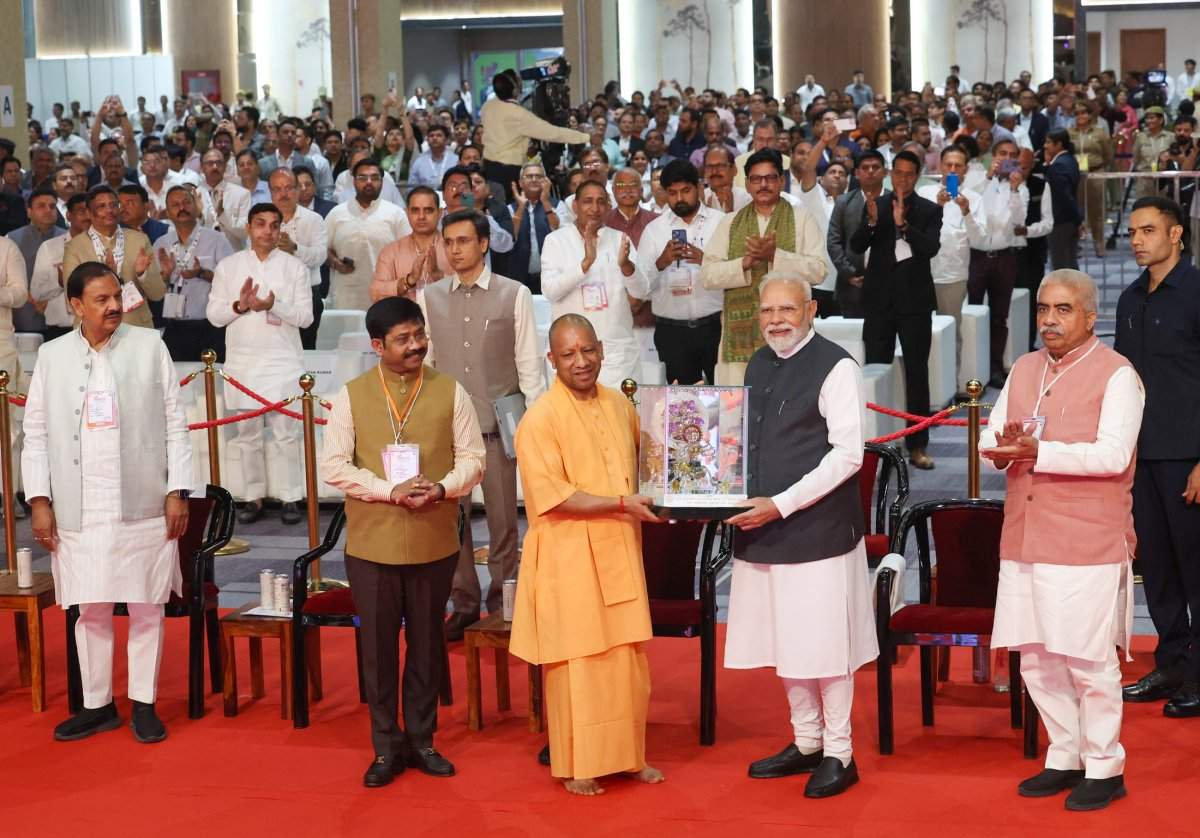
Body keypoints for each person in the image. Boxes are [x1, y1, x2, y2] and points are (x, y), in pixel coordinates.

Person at [981, 269, 1142, 812]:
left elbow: (1113, 455)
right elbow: (991, 435)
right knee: (1036, 657)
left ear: (1091, 317)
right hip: (1024, 535)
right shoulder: (1025, 367)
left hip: (1085, 541)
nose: (1049, 320)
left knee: (1087, 660)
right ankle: (1065, 754)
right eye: (1044, 309)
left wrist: (1038, 453)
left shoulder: (1118, 374)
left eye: (1063, 310)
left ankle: (1104, 766)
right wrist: (1002, 446)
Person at [320, 295, 484, 788]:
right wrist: (387, 490)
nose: (416, 346)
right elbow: (334, 466)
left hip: (434, 540)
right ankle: (385, 746)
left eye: (419, 335)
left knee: (428, 645)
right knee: (377, 649)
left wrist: (442, 488)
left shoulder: (450, 390)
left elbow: (473, 458)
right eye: (403, 339)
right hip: (373, 545)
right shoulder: (351, 395)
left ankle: (423, 739)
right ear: (377, 346)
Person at [24, 261, 192, 744]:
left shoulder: (149, 345)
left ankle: (144, 704)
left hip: (143, 500)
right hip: (79, 503)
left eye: (116, 296)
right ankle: (97, 705)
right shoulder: (53, 356)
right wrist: (39, 500)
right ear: (76, 305)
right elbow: (35, 434)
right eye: (101, 300)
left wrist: (177, 491)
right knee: (90, 607)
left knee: (146, 606)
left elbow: (176, 423)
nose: (115, 306)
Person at [724, 273, 876, 798]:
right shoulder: (758, 362)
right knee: (785, 641)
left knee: (824, 645)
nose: (776, 321)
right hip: (763, 529)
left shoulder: (837, 366)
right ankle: (807, 740)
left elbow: (849, 456)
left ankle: (839, 752)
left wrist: (782, 504)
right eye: (767, 311)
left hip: (817, 532)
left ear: (811, 310)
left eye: (787, 309)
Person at [510, 313, 665, 796]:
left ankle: (630, 757)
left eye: (588, 350)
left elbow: (649, 466)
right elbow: (553, 497)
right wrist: (620, 503)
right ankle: (578, 766)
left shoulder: (619, 405)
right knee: (578, 663)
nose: (581, 362)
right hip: (569, 556)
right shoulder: (539, 419)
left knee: (626, 660)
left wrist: (686, 421)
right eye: (569, 354)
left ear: (602, 349)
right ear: (551, 360)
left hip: (618, 546)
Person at [420, 209, 545, 639]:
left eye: (464, 241)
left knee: (504, 524)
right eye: (449, 242)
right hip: (448, 433)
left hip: (499, 429)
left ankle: (505, 605)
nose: (455, 250)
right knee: (452, 524)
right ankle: (464, 604)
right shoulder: (430, 297)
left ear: (484, 244)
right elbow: (427, 366)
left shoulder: (514, 294)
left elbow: (530, 367)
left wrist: (534, 431)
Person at [1116, 197, 1200, 716]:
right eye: (1132, 232)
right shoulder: (1130, 299)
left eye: (1148, 230)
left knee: (1196, 571)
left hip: (1188, 459)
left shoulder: (1196, 292)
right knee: (1159, 571)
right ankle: (1171, 664)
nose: (1137, 240)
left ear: (1175, 235)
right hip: (1139, 457)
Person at [206, 203, 312, 525]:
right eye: (261, 224)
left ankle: (291, 497)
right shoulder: (229, 266)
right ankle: (253, 496)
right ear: (249, 228)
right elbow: (214, 316)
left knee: (286, 435)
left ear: (281, 230)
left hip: (283, 362)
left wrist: (273, 305)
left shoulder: (295, 267)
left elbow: (306, 318)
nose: (268, 231)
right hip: (243, 363)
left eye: (274, 225)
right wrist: (240, 305)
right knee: (248, 435)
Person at [700, 148, 826, 385]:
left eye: (770, 178)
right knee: (740, 403)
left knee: (789, 399)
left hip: (791, 334)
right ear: (747, 184)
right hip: (739, 340)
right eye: (756, 179)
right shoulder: (730, 222)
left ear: (781, 181)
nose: (764, 185)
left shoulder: (802, 218)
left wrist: (774, 256)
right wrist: (744, 263)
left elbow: (819, 270)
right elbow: (707, 276)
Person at [850, 150, 941, 470]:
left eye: (909, 174)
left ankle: (918, 445)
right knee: (877, 372)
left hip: (915, 303)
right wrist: (873, 222)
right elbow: (856, 245)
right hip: (879, 303)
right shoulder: (876, 204)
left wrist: (904, 226)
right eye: (898, 173)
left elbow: (930, 248)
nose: (902, 179)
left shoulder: (930, 210)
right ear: (891, 174)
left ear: (917, 176)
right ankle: (880, 445)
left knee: (917, 374)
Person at [540, 180, 649, 389]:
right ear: (575, 206)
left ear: (608, 207)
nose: (594, 208)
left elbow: (642, 291)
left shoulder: (619, 239)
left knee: (621, 409)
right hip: (572, 355)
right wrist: (585, 264)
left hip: (616, 353)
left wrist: (626, 266)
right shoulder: (556, 241)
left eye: (600, 202)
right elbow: (550, 290)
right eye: (588, 201)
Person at [637, 160, 725, 385]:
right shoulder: (654, 230)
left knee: (725, 395)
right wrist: (661, 262)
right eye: (672, 193)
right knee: (682, 401)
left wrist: (706, 260)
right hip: (672, 332)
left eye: (685, 191)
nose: (679, 198)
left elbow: (735, 272)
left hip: (716, 327)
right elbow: (641, 288)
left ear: (698, 187)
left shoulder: (721, 223)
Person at [967, 138, 1029, 388]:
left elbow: (1019, 220)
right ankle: (973, 368)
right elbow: (971, 202)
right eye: (1002, 153)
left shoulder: (1020, 187)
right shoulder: (978, 179)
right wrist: (988, 178)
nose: (1007, 159)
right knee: (972, 312)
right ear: (993, 156)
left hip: (1004, 256)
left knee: (999, 316)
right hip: (976, 255)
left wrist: (1014, 190)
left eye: (1012, 155)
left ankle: (994, 367)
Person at [918, 145, 980, 395]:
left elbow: (979, 239)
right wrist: (937, 206)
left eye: (958, 165)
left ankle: (950, 387)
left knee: (952, 333)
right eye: (948, 165)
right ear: (940, 166)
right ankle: (928, 387)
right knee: (921, 333)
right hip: (922, 273)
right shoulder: (925, 193)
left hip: (954, 275)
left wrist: (966, 211)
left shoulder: (973, 198)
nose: (953, 170)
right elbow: (916, 229)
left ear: (966, 169)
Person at [62, 186, 164, 330]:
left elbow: (158, 294)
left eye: (114, 205)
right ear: (89, 213)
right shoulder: (75, 247)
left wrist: (142, 274)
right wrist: (106, 279)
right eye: (102, 206)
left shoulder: (139, 240)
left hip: (136, 327)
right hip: (94, 330)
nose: (109, 210)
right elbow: (71, 300)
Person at [479, 71, 590, 202]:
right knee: (509, 206)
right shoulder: (518, 115)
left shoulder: (487, 107)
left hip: (489, 167)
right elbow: (553, 133)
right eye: (519, 82)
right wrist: (585, 137)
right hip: (509, 172)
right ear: (515, 89)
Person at [153, 185, 233, 362]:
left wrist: (202, 273)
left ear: (196, 207)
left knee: (213, 377)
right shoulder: (161, 244)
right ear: (168, 212)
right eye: (175, 205)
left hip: (210, 326)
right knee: (178, 377)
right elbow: (155, 291)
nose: (182, 208)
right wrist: (165, 276)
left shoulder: (217, 240)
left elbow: (232, 281)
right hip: (174, 326)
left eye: (186, 202)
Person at [325, 159, 412, 310]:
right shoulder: (336, 213)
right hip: (345, 297)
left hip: (385, 297)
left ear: (382, 182)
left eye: (375, 177)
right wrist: (335, 262)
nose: (369, 182)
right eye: (363, 178)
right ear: (353, 181)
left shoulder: (396, 214)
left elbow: (408, 253)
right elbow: (322, 249)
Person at [268, 169, 327, 349]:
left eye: (288, 188)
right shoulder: (263, 221)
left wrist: (294, 248)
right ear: (270, 192)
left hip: (306, 295)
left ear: (297, 190)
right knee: (274, 351)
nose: (283, 194)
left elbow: (320, 256)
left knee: (304, 351)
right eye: (277, 189)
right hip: (272, 296)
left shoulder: (314, 220)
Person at [828, 151, 886, 319]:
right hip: (852, 285)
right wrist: (850, 274)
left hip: (888, 286)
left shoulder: (895, 201)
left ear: (884, 172)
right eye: (865, 167)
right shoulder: (844, 202)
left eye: (875, 167)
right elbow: (833, 242)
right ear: (857, 173)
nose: (870, 171)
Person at [371, 187, 451, 303]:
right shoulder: (391, 251)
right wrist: (409, 280)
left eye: (428, 210)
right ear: (407, 213)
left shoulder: (454, 248)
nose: (421, 216)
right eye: (415, 210)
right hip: (404, 314)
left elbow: (470, 288)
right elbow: (375, 293)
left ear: (440, 213)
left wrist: (438, 275)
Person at [7, 187, 66, 337]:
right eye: (41, 206)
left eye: (52, 206)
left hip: (60, 317)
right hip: (22, 317)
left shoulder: (69, 240)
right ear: (29, 212)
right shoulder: (11, 239)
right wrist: (29, 297)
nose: (48, 210)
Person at [30, 194, 90, 341]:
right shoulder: (50, 247)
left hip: (94, 327)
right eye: (82, 211)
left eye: (91, 211)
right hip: (59, 330)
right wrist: (59, 283)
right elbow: (36, 292)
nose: (87, 216)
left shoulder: (103, 246)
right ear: (69, 215)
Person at [508, 161, 561, 294]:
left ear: (546, 182)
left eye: (538, 176)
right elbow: (509, 240)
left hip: (552, 277)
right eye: (529, 176)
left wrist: (545, 202)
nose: (534, 179)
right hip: (518, 277)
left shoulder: (559, 205)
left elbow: (560, 234)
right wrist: (521, 207)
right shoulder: (510, 209)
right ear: (520, 183)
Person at [1042, 130, 1082, 270]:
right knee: (1070, 263)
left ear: (1058, 144)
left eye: (1048, 142)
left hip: (1060, 222)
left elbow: (1065, 196)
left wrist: (1078, 219)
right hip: (1069, 220)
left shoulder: (1059, 165)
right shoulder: (1070, 160)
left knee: (1061, 265)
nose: (1045, 146)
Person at [604, 167, 658, 246]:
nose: (627, 190)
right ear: (613, 190)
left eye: (633, 184)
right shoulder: (603, 222)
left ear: (641, 190)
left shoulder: (656, 221)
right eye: (621, 185)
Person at [407, 124, 459, 190]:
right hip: (426, 195)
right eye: (431, 136)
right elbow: (411, 188)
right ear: (427, 140)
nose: (434, 138)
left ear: (446, 139)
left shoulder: (456, 160)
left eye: (439, 135)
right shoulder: (419, 162)